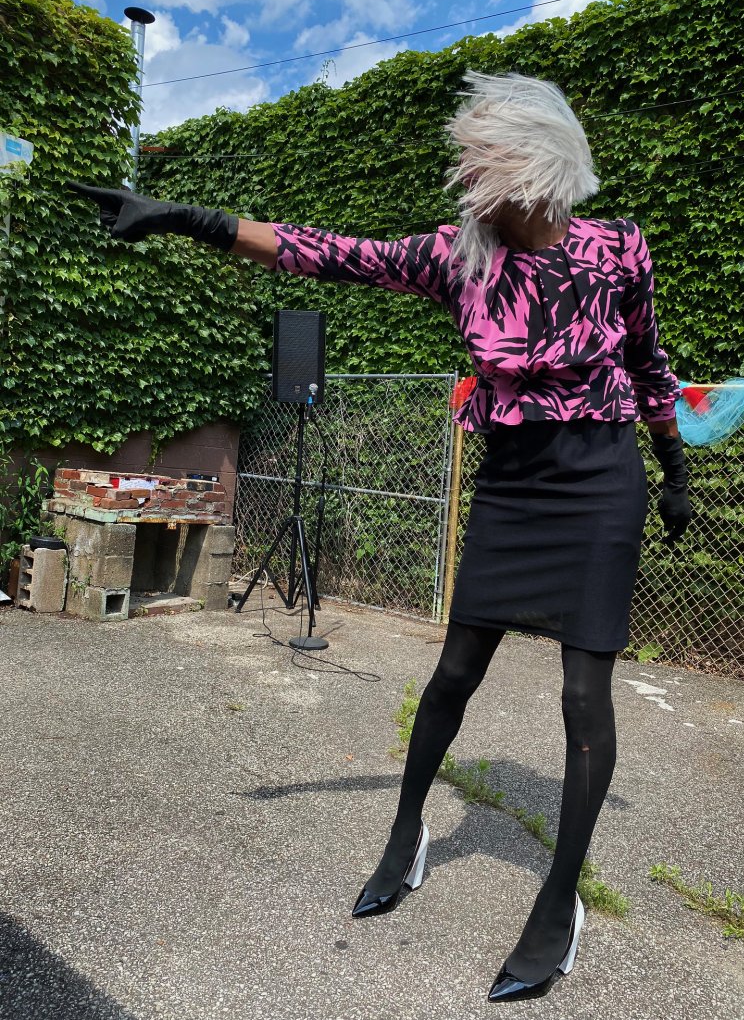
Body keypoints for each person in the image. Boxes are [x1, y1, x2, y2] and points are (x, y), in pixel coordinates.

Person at [67, 70, 692, 1004]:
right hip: (513, 485)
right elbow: (328, 252)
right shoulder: (459, 255)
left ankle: (559, 899)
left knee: (581, 688)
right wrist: (186, 217)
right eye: (471, 159)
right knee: (453, 674)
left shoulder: (618, 249)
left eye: (491, 159)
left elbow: (650, 363)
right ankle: (407, 836)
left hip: (602, 481)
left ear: (539, 167)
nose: (474, 176)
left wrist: (676, 466)